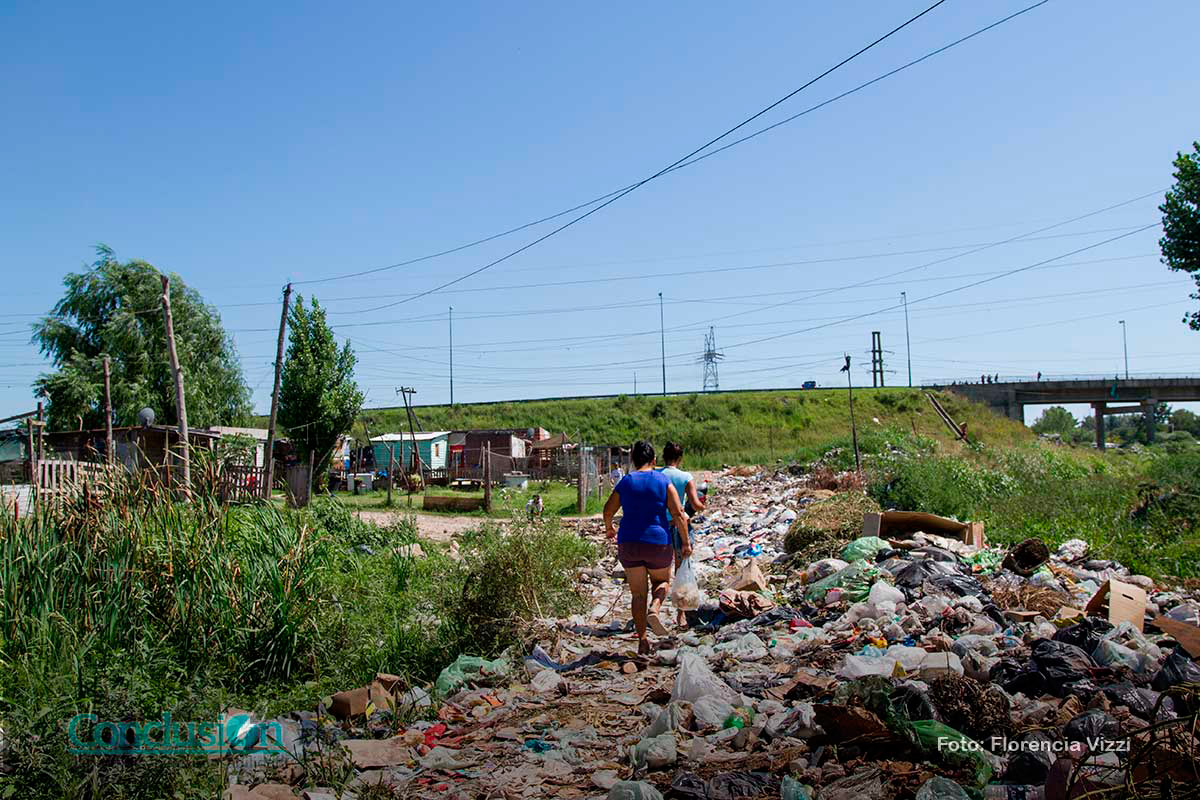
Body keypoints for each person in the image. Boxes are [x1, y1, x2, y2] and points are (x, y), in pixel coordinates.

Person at [603, 440, 690, 655]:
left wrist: (609, 528)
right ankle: (656, 608)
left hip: (629, 543)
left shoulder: (626, 482)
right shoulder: (663, 480)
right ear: (654, 460)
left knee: (637, 594)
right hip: (657, 542)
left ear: (633, 460)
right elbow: (679, 514)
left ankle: (642, 640)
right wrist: (686, 543)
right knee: (661, 582)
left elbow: (608, 510)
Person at [658, 441, 706, 626]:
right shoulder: (685, 477)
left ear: (663, 457)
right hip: (680, 526)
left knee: (661, 571)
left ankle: (655, 608)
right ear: (680, 458)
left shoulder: (656, 475)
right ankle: (680, 615)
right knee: (681, 569)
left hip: (661, 526)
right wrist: (703, 505)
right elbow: (695, 504)